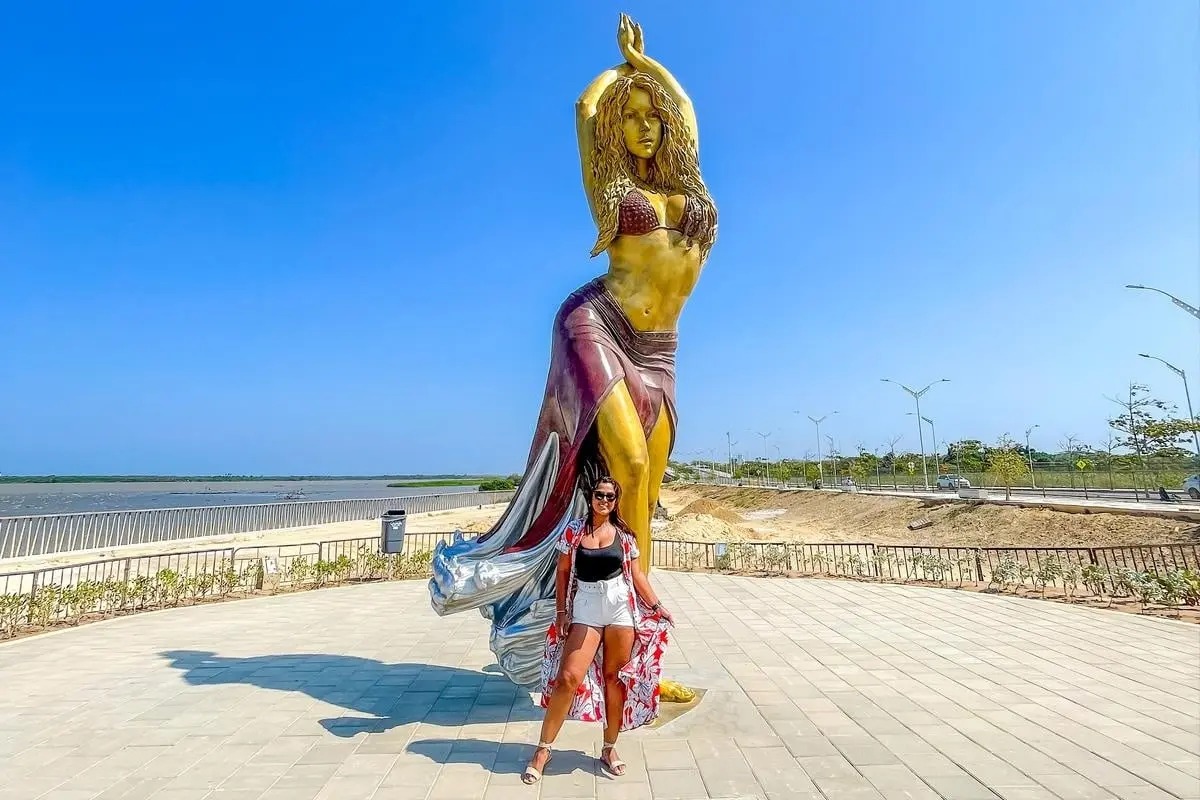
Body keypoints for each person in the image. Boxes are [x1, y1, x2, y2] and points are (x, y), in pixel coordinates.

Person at [428, 12, 714, 696]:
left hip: (659, 351)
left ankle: (639, 663)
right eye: (633, 118)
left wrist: (653, 69)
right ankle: (601, 641)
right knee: (632, 462)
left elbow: (688, 112)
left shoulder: (691, 188)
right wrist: (621, 71)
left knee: (640, 498)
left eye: (653, 118)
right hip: (596, 323)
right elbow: (586, 111)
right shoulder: (616, 193)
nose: (646, 126)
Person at [522, 476, 674, 784]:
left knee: (614, 680)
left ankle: (609, 747)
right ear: (590, 497)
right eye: (599, 494)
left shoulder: (625, 536)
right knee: (568, 678)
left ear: (615, 502)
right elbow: (563, 571)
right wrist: (562, 612)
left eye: (610, 496)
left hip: (619, 606)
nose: (604, 500)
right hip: (587, 606)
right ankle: (543, 748)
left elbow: (638, 576)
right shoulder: (574, 531)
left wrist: (658, 607)